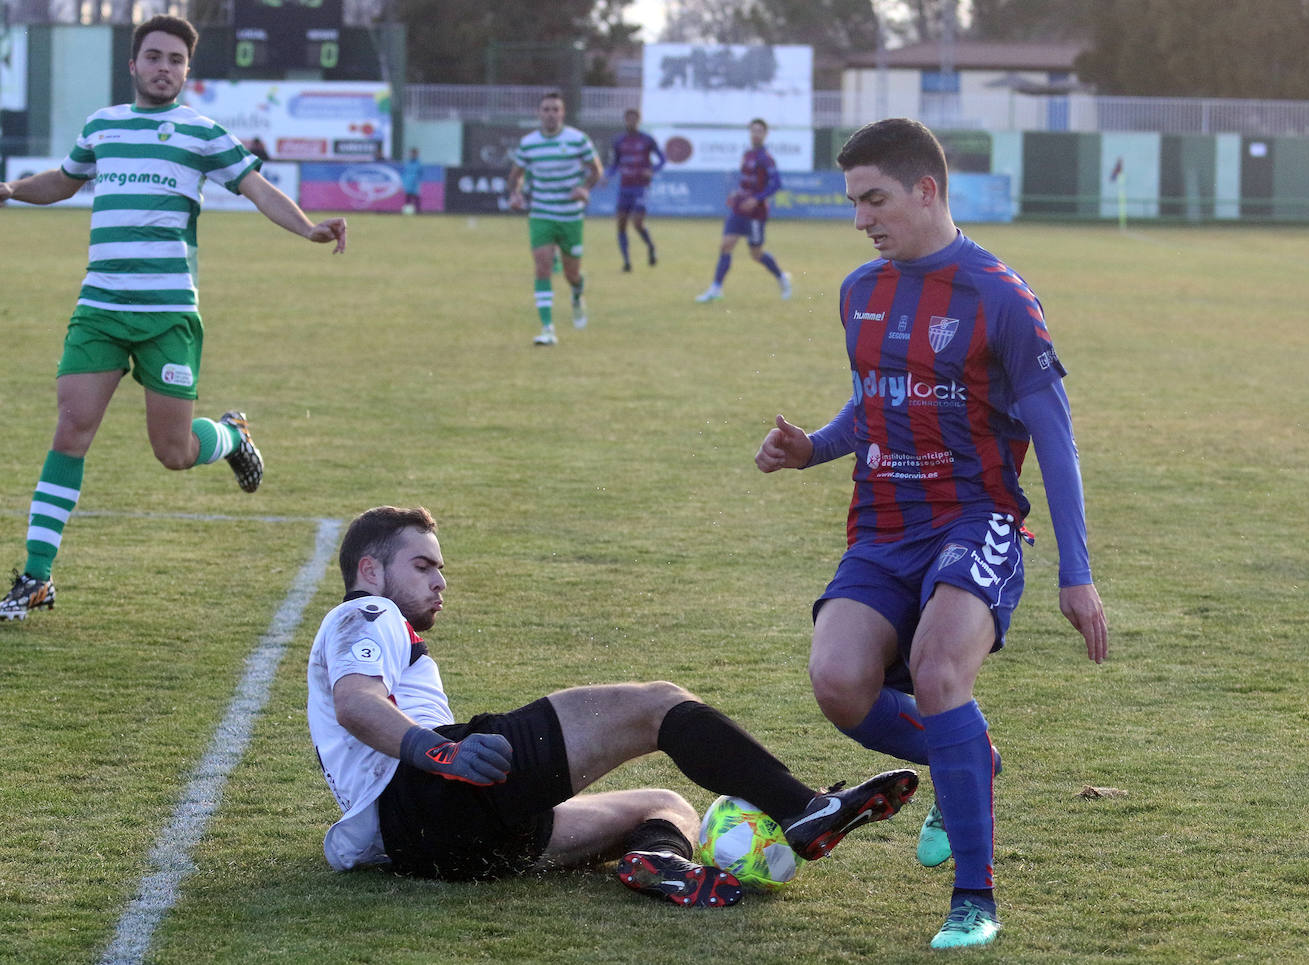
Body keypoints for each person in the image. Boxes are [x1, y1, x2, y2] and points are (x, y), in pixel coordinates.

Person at [753, 118, 1108, 949]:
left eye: (874, 199)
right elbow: (873, 402)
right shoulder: (858, 291)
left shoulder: (1001, 297)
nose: (860, 219)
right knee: (838, 680)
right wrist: (812, 447)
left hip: (974, 516)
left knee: (940, 668)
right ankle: (966, 762)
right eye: (853, 202)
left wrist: (1077, 572)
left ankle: (973, 898)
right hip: (881, 524)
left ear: (928, 190)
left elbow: (1055, 438)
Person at [307, 505, 920, 906]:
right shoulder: (368, 610)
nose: (439, 581)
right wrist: (441, 753)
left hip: (432, 848)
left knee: (664, 805)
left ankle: (660, 859)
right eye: (422, 566)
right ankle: (805, 809)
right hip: (429, 793)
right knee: (658, 705)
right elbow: (355, 703)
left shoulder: (385, 628)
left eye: (441, 569)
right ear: (370, 569)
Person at [0, 15, 347, 622]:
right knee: (70, 431)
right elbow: (63, 181)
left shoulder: (201, 133)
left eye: (176, 61)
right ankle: (35, 575)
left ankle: (232, 434)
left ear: (187, 71)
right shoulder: (102, 126)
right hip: (99, 311)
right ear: (133, 64)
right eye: (154, 57)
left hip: (167, 318)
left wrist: (308, 226)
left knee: (174, 452)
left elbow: (258, 187)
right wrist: (9, 190)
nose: (165, 68)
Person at [507, 90, 603, 347]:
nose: (550, 114)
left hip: (570, 216)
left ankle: (576, 293)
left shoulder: (577, 140)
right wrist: (515, 193)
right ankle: (547, 328)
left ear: (562, 113)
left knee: (572, 273)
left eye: (555, 109)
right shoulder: (529, 143)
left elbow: (595, 170)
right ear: (539, 113)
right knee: (542, 267)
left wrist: (585, 187)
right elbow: (516, 174)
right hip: (542, 214)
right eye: (546, 109)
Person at [695, 117, 790, 303]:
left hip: (756, 213)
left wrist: (757, 199)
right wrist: (736, 194)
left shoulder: (766, 159)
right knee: (726, 245)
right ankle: (716, 288)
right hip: (739, 209)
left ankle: (782, 278)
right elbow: (745, 181)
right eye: (753, 130)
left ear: (765, 134)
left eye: (759, 131)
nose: (755, 134)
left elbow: (777, 184)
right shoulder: (747, 155)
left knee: (756, 254)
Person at [606, 108, 665, 272]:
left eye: (635, 119)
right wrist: (608, 175)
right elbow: (615, 163)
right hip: (624, 187)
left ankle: (651, 247)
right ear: (625, 120)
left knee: (637, 223)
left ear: (639, 120)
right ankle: (626, 262)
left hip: (641, 187)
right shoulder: (618, 141)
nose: (631, 122)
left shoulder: (647, 140)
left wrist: (652, 170)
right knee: (621, 223)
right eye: (628, 119)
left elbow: (662, 159)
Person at [400, 147, 422, 215]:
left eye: (414, 153)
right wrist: (404, 182)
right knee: (408, 198)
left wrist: (416, 179)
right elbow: (404, 173)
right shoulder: (407, 163)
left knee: (416, 198)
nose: (412, 155)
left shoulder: (419, 163)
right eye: (411, 153)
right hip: (408, 183)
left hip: (415, 183)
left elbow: (420, 173)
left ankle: (418, 212)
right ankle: (407, 211)